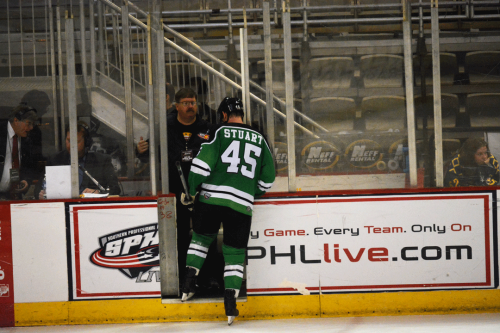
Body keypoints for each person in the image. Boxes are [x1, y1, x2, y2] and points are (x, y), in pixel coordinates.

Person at [179, 97, 276, 325]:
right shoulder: (260, 138)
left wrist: (190, 191)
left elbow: (201, 165)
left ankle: (187, 285)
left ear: (223, 114)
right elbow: (268, 180)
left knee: (200, 241)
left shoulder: (217, 131)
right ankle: (231, 305)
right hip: (241, 204)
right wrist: (250, 191)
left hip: (210, 199)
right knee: (234, 254)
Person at [137, 87, 212, 284]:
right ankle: (180, 278)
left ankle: (205, 278)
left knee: (203, 234)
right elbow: (149, 153)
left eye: (193, 102)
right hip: (174, 189)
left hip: (202, 189)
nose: (190, 106)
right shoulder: (164, 126)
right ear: (176, 106)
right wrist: (141, 151)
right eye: (186, 103)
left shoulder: (206, 128)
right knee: (179, 236)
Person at [38, 121, 120, 199]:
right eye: (69, 141)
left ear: (86, 142)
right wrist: (42, 194)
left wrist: (98, 192)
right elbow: (38, 189)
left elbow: (115, 189)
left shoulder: (102, 161)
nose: (71, 145)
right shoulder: (55, 160)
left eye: (77, 142)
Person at [0, 104, 39, 199]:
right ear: (16, 121)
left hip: (13, 196)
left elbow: (29, 165)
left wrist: (26, 180)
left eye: (32, 124)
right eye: (28, 123)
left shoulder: (28, 138)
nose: (31, 128)